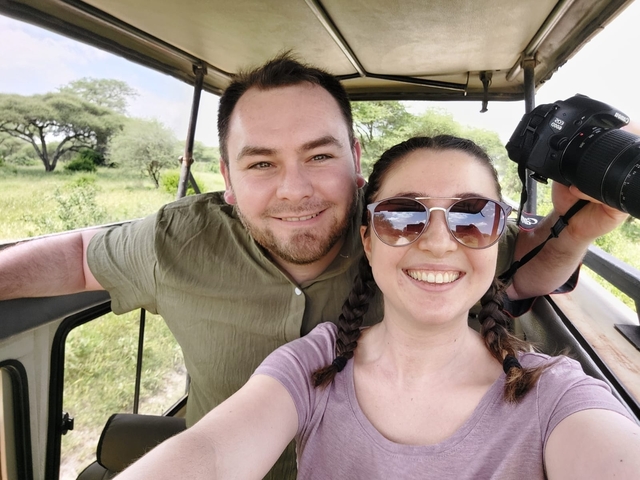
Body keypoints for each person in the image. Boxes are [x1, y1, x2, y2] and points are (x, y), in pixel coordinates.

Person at [0, 55, 630, 478]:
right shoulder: (182, 242)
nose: (294, 190)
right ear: (227, 176)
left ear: (355, 159)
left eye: (318, 155)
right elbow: (79, 257)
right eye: (261, 163)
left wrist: (573, 225)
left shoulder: (407, 231)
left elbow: (519, 268)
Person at [113, 135, 640, 479]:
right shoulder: (315, 366)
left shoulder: (555, 394)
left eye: (472, 217)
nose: (437, 243)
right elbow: (208, 453)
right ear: (368, 240)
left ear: (498, 235)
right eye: (403, 216)